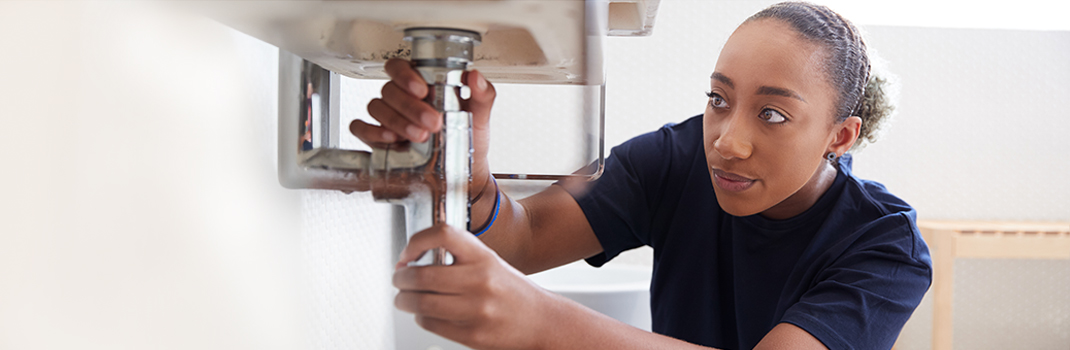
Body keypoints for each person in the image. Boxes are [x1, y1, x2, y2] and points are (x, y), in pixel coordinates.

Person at [351, 2, 932, 349]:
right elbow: (522, 240)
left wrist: (538, 319)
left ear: (840, 136)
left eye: (773, 113)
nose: (728, 141)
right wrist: (465, 165)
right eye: (718, 98)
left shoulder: (885, 247)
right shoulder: (676, 159)